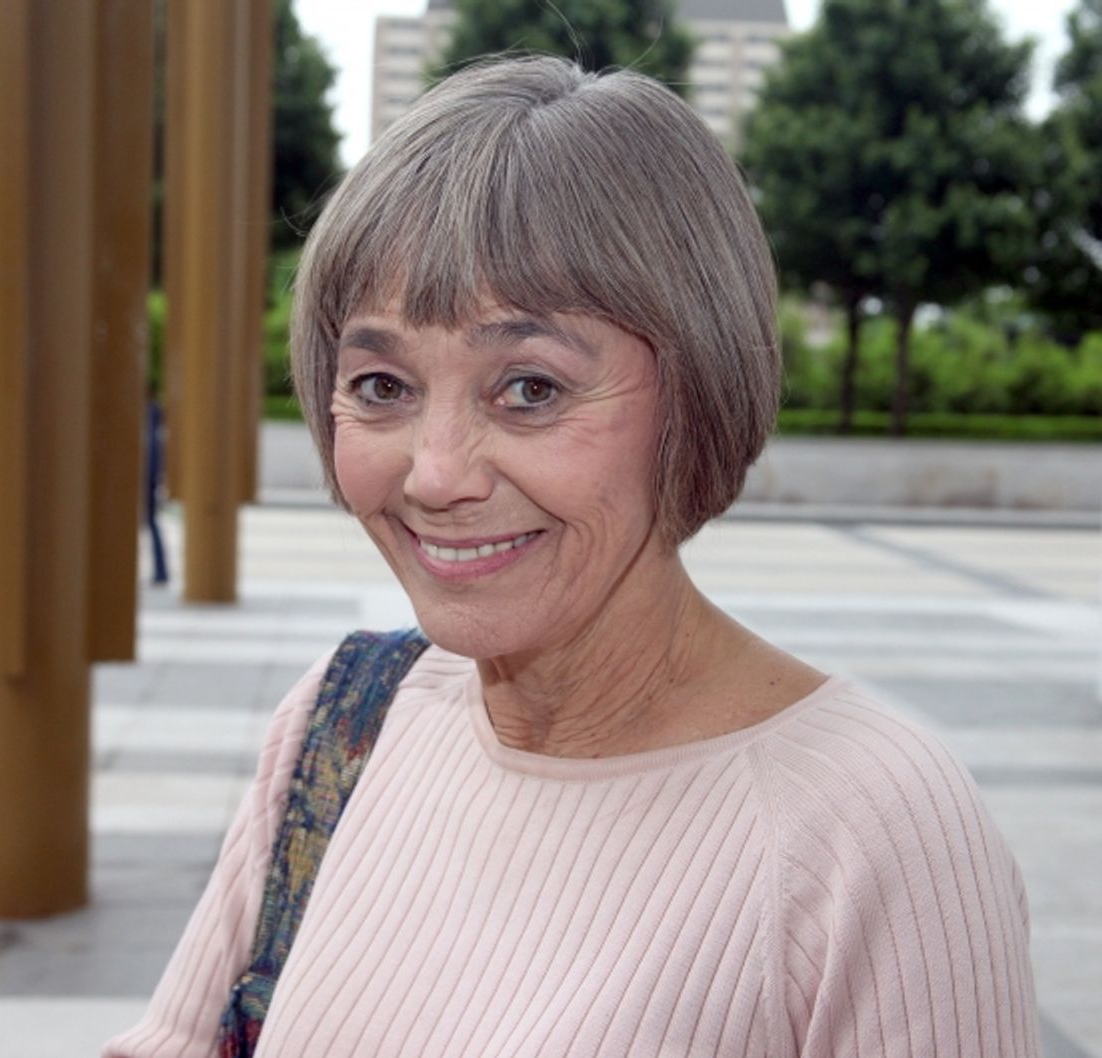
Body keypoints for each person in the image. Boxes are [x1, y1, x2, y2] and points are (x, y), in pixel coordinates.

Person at [105, 56, 1039, 1057]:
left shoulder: (875, 826)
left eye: (531, 389)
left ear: (699, 390)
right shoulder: (342, 723)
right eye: (381, 385)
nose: (437, 473)